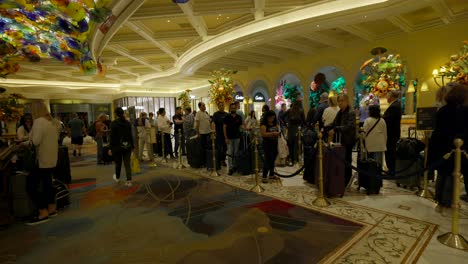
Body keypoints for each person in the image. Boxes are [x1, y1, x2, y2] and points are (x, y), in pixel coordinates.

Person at [428, 82, 468, 210]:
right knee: (452, 173)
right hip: (455, 148)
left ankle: (439, 197)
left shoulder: (443, 110)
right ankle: (447, 200)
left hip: (441, 146)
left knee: (442, 172)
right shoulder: (463, 111)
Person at [27, 100, 60, 225]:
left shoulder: (39, 121)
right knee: (47, 184)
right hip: (52, 159)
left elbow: (35, 141)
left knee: (30, 185)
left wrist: (29, 138)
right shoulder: (53, 122)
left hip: (42, 160)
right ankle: (51, 208)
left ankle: (43, 211)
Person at [329, 93, 356, 186]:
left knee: (347, 160)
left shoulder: (350, 112)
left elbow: (349, 126)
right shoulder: (340, 112)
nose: (339, 103)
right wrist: (324, 128)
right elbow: (334, 123)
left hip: (348, 140)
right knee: (341, 160)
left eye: (341, 101)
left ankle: (347, 179)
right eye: (338, 101)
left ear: (347, 101)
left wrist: (336, 129)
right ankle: (341, 177)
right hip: (340, 140)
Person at [109, 107, 134, 187]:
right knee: (127, 164)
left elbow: (112, 137)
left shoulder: (113, 123)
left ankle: (117, 177)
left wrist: (110, 148)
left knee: (118, 163)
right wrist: (132, 145)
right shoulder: (127, 123)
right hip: (127, 146)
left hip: (117, 146)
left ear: (116, 114)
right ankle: (129, 181)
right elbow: (130, 135)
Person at [383, 90, 402, 175]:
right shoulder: (396, 105)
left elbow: (387, 119)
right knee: (390, 151)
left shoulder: (394, 106)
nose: (386, 97)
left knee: (390, 152)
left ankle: (392, 170)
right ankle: (391, 169)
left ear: (392, 96)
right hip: (393, 133)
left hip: (391, 134)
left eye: (387, 95)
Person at [261, 110, 281, 183]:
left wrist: (278, 133)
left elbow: (278, 131)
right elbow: (263, 134)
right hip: (267, 144)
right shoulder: (264, 125)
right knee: (267, 160)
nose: (271, 119)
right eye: (270, 118)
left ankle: (271, 174)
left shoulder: (275, 124)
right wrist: (273, 133)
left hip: (275, 143)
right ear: (267, 117)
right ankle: (264, 176)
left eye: (273, 118)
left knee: (273, 160)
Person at [224, 103, 244, 175]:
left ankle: (235, 166)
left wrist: (247, 128)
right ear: (230, 109)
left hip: (237, 138)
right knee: (230, 153)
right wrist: (226, 137)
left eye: (234, 108)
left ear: (236, 108)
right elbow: (224, 127)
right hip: (229, 138)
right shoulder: (227, 117)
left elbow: (242, 126)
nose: (233, 109)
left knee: (236, 153)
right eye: (232, 108)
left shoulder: (239, 117)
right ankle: (230, 168)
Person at [286, 100, 305, 166]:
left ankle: (291, 159)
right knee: (296, 145)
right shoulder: (301, 111)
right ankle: (296, 160)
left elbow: (281, 117)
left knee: (291, 145)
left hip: (290, 129)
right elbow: (304, 121)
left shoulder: (290, 110)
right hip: (298, 129)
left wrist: (286, 124)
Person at [211, 102, 228, 166]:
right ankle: (219, 160)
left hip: (225, 134)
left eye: (222, 105)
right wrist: (214, 132)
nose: (221, 107)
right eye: (220, 106)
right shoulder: (216, 114)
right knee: (219, 148)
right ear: (218, 107)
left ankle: (223, 160)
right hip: (218, 134)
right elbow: (213, 123)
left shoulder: (226, 114)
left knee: (225, 148)